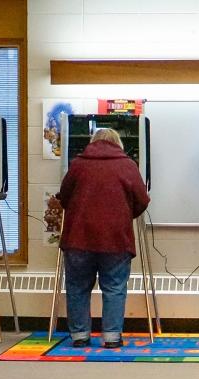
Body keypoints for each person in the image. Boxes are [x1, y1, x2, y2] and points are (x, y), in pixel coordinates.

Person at [57, 128, 150, 349]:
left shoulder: (78, 164)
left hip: (78, 238)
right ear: (118, 143)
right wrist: (126, 215)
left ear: (92, 142)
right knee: (115, 286)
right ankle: (111, 337)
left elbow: (64, 197)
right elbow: (142, 200)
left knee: (78, 286)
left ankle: (79, 335)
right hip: (116, 238)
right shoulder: (128, 165)